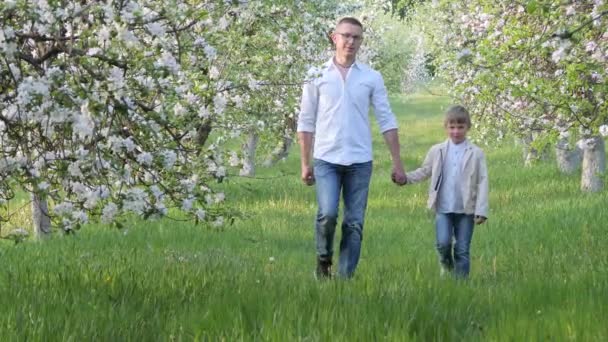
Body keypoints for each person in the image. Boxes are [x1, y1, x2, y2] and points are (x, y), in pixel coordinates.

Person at [297, 17, 406, 279]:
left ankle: (345, 279)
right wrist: (304, 162)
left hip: (359, 160)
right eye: (345, 35)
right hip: (326, 158)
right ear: (334, 38)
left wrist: (397, 162)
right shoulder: (316, 75)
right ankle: (324, 260)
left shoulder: (371, 77)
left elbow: (386, 119)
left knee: (354, 222)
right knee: (328, 214)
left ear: (361, 41)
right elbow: (306, 120)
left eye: (356, 37)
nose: (350, 41)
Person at [405, 105, 489, 278]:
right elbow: (425, 171)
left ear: (468, 127)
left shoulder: (476, 153)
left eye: (460, 127)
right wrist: (405, 178)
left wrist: (481, 211)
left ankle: (461, 285)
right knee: (443, 243)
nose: (456, 131)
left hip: (466, 210)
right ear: (446, 127)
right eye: (452, 127)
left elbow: (482, 182)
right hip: (443, 208)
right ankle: (446, 266)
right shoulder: (438, 151)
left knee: (462, 249)